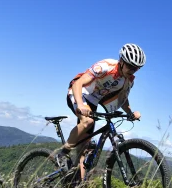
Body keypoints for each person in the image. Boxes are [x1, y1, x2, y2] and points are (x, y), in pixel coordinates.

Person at [57, 43, 145, 179]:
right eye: (130, 66)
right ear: (121, 61)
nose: (133, 70)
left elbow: (123, 99)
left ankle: (76, 186)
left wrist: (130, 113)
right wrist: (80, 104)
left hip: (93, 102)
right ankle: (63, 152)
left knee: (84, 149)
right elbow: (78, 84)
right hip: (80, 93)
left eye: (136, 68)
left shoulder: (128, 80)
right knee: (88, 122)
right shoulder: (105, 66)